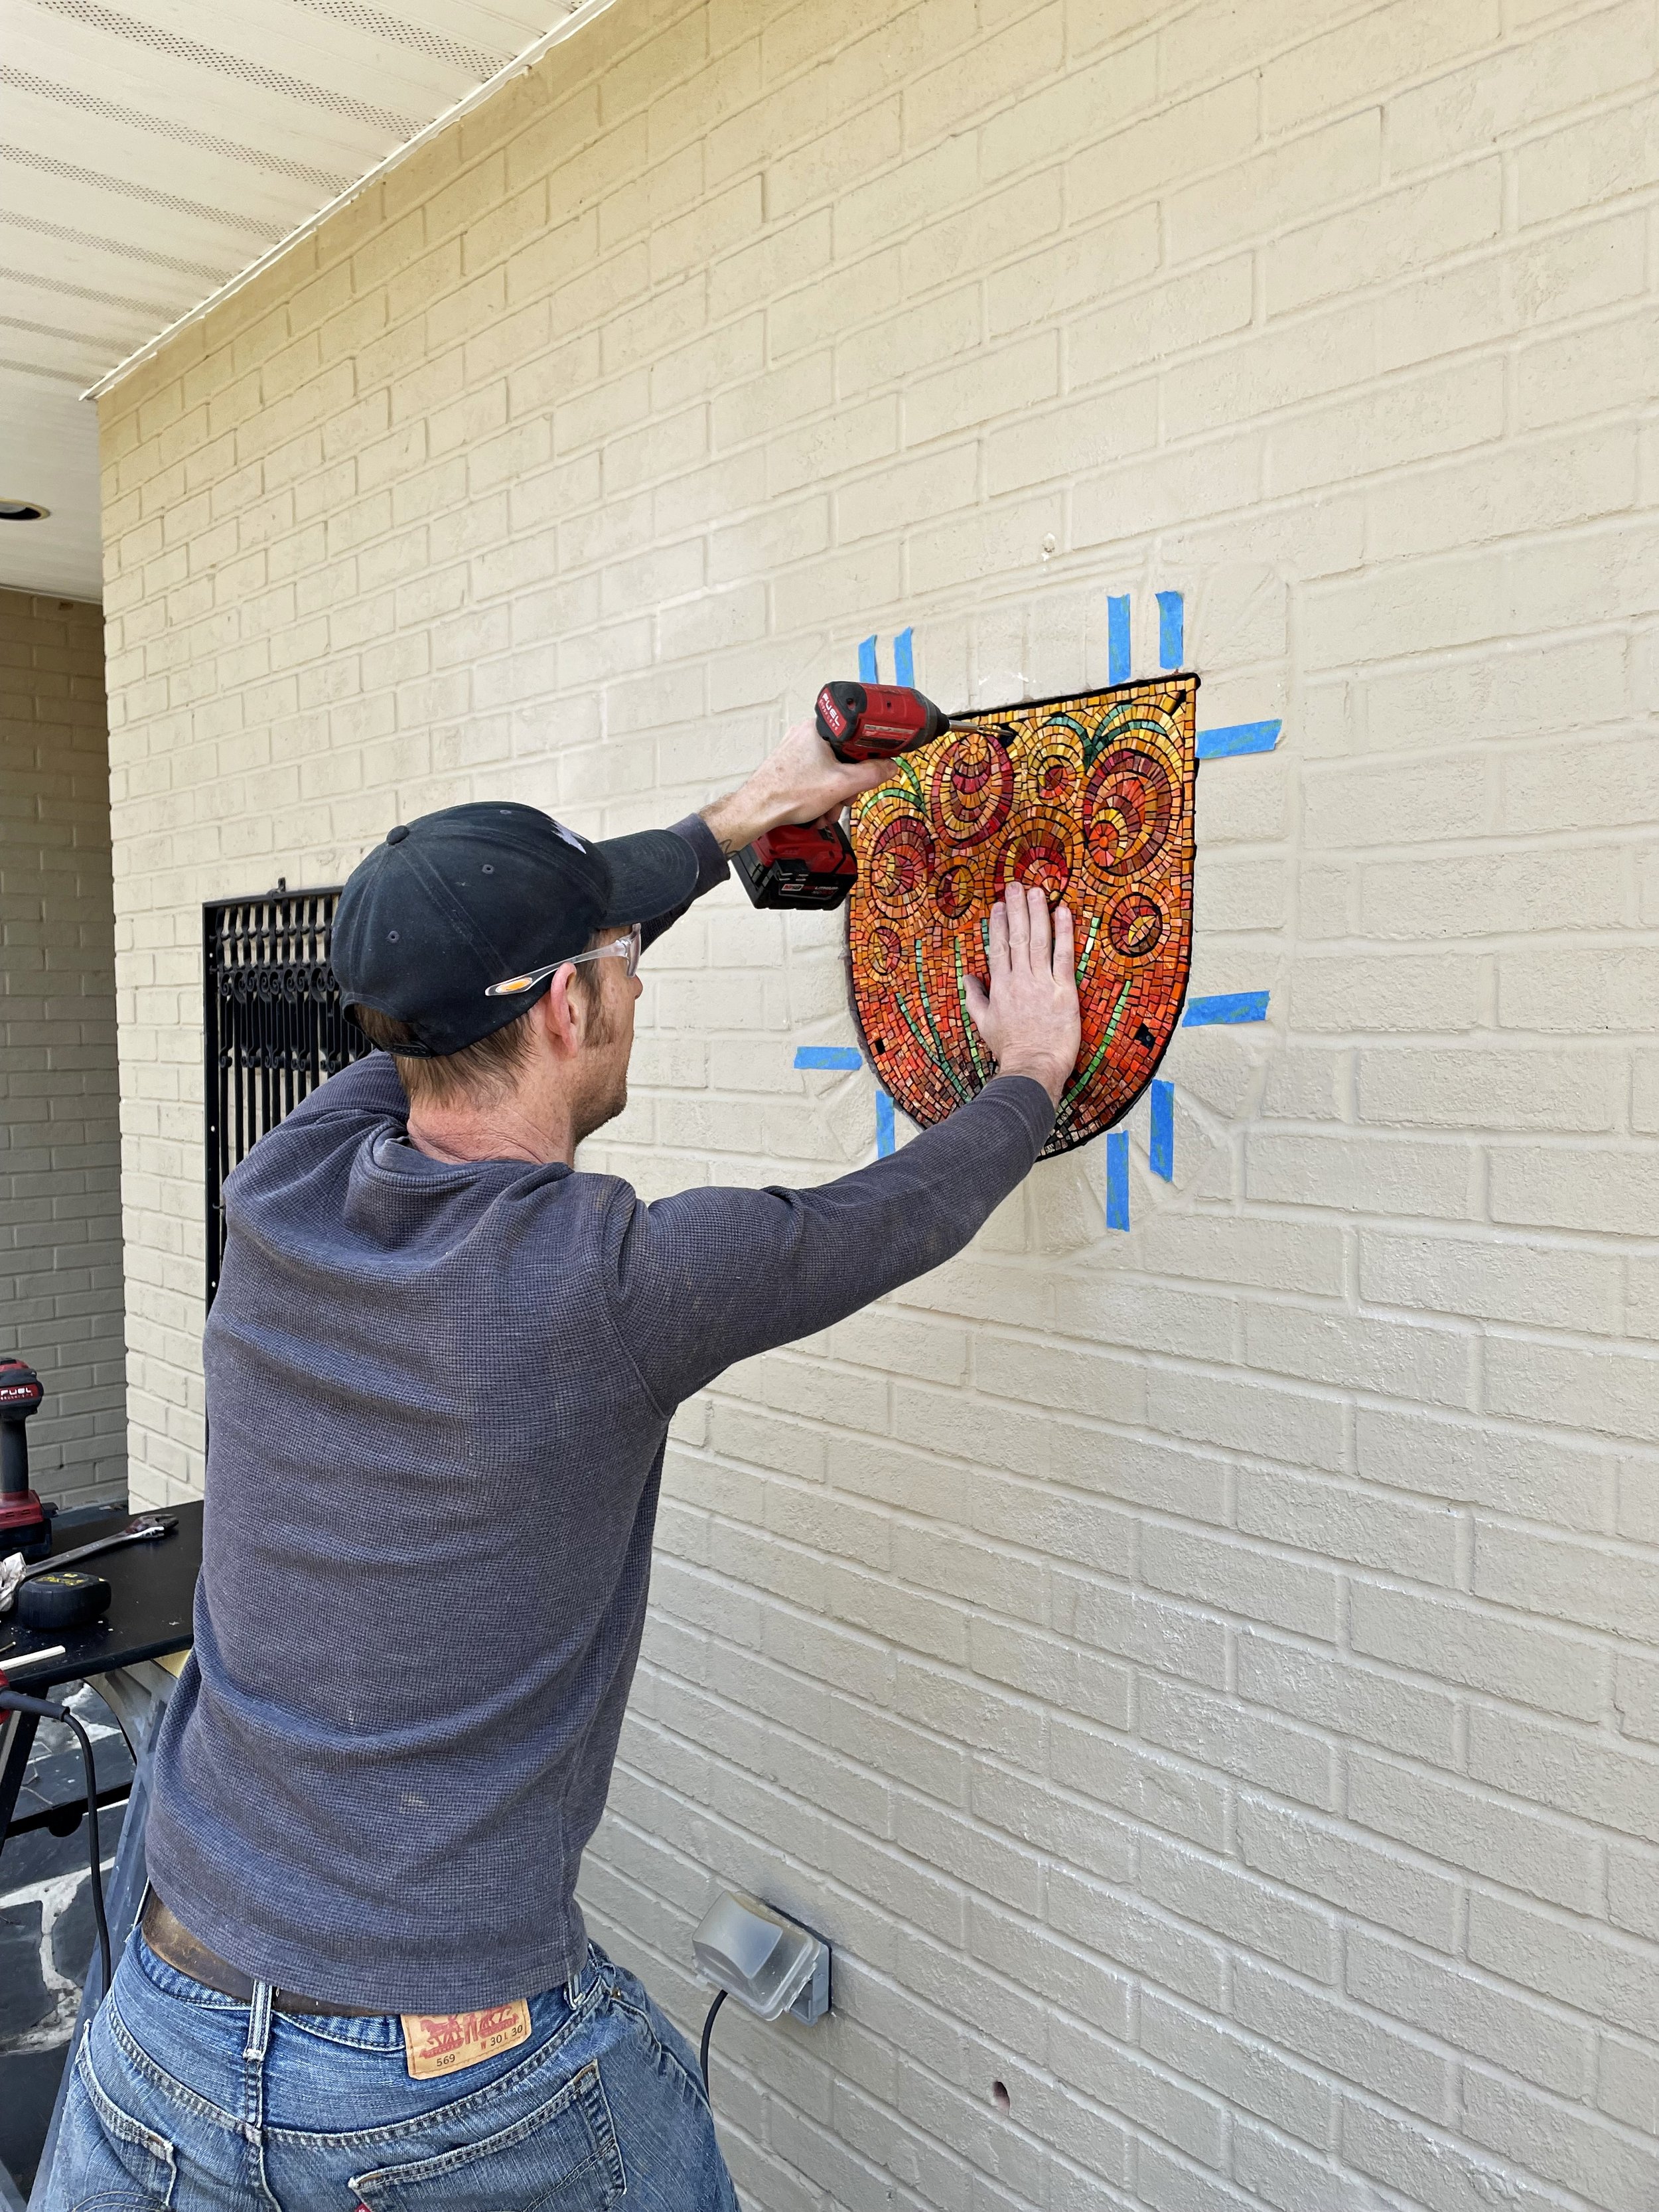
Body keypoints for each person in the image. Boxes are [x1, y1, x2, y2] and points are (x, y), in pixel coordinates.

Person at [45, 715, 1080, 2211]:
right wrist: (1031, 1071)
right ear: (566, 1011)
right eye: (618, 961)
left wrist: (741, 819)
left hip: (165, 2012)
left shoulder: (289, 1178)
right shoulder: (614, 1287)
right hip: (435, 2084)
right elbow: (894, 1213)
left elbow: (497, 974)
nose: (636, 978)